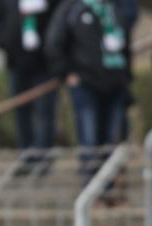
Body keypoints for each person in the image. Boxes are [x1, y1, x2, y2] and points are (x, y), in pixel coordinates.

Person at [46, 0, 131, 184]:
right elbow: (54, 41)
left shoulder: (114, 8)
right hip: (86, 84)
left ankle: (109, 188)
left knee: (111, 140)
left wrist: (126, 77)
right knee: (89, 139)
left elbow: (125, 43)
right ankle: (91, 188)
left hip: (115, 83)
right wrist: (65, 72)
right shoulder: (72, 8)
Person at [0, 0, 59, 175]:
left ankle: (43, 157)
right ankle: (26, 155)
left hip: (44, 64)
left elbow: (58, 21)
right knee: (21, 112)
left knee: (45, 112)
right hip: (16, 63)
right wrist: (4, 41)